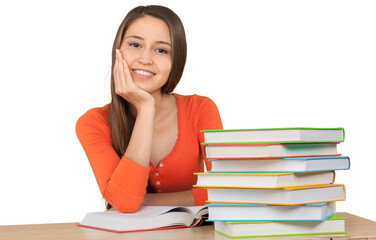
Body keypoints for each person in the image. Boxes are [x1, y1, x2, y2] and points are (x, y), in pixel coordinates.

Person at [76, 5, 223, 213]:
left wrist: (143, 201)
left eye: (161, 50)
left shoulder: (200, 109)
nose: (145, 59)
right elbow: (126, 203)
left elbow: (228, 189)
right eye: (135, 44)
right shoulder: (93, 123)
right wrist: (146, 108)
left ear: (175, 61)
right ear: (118, 51)